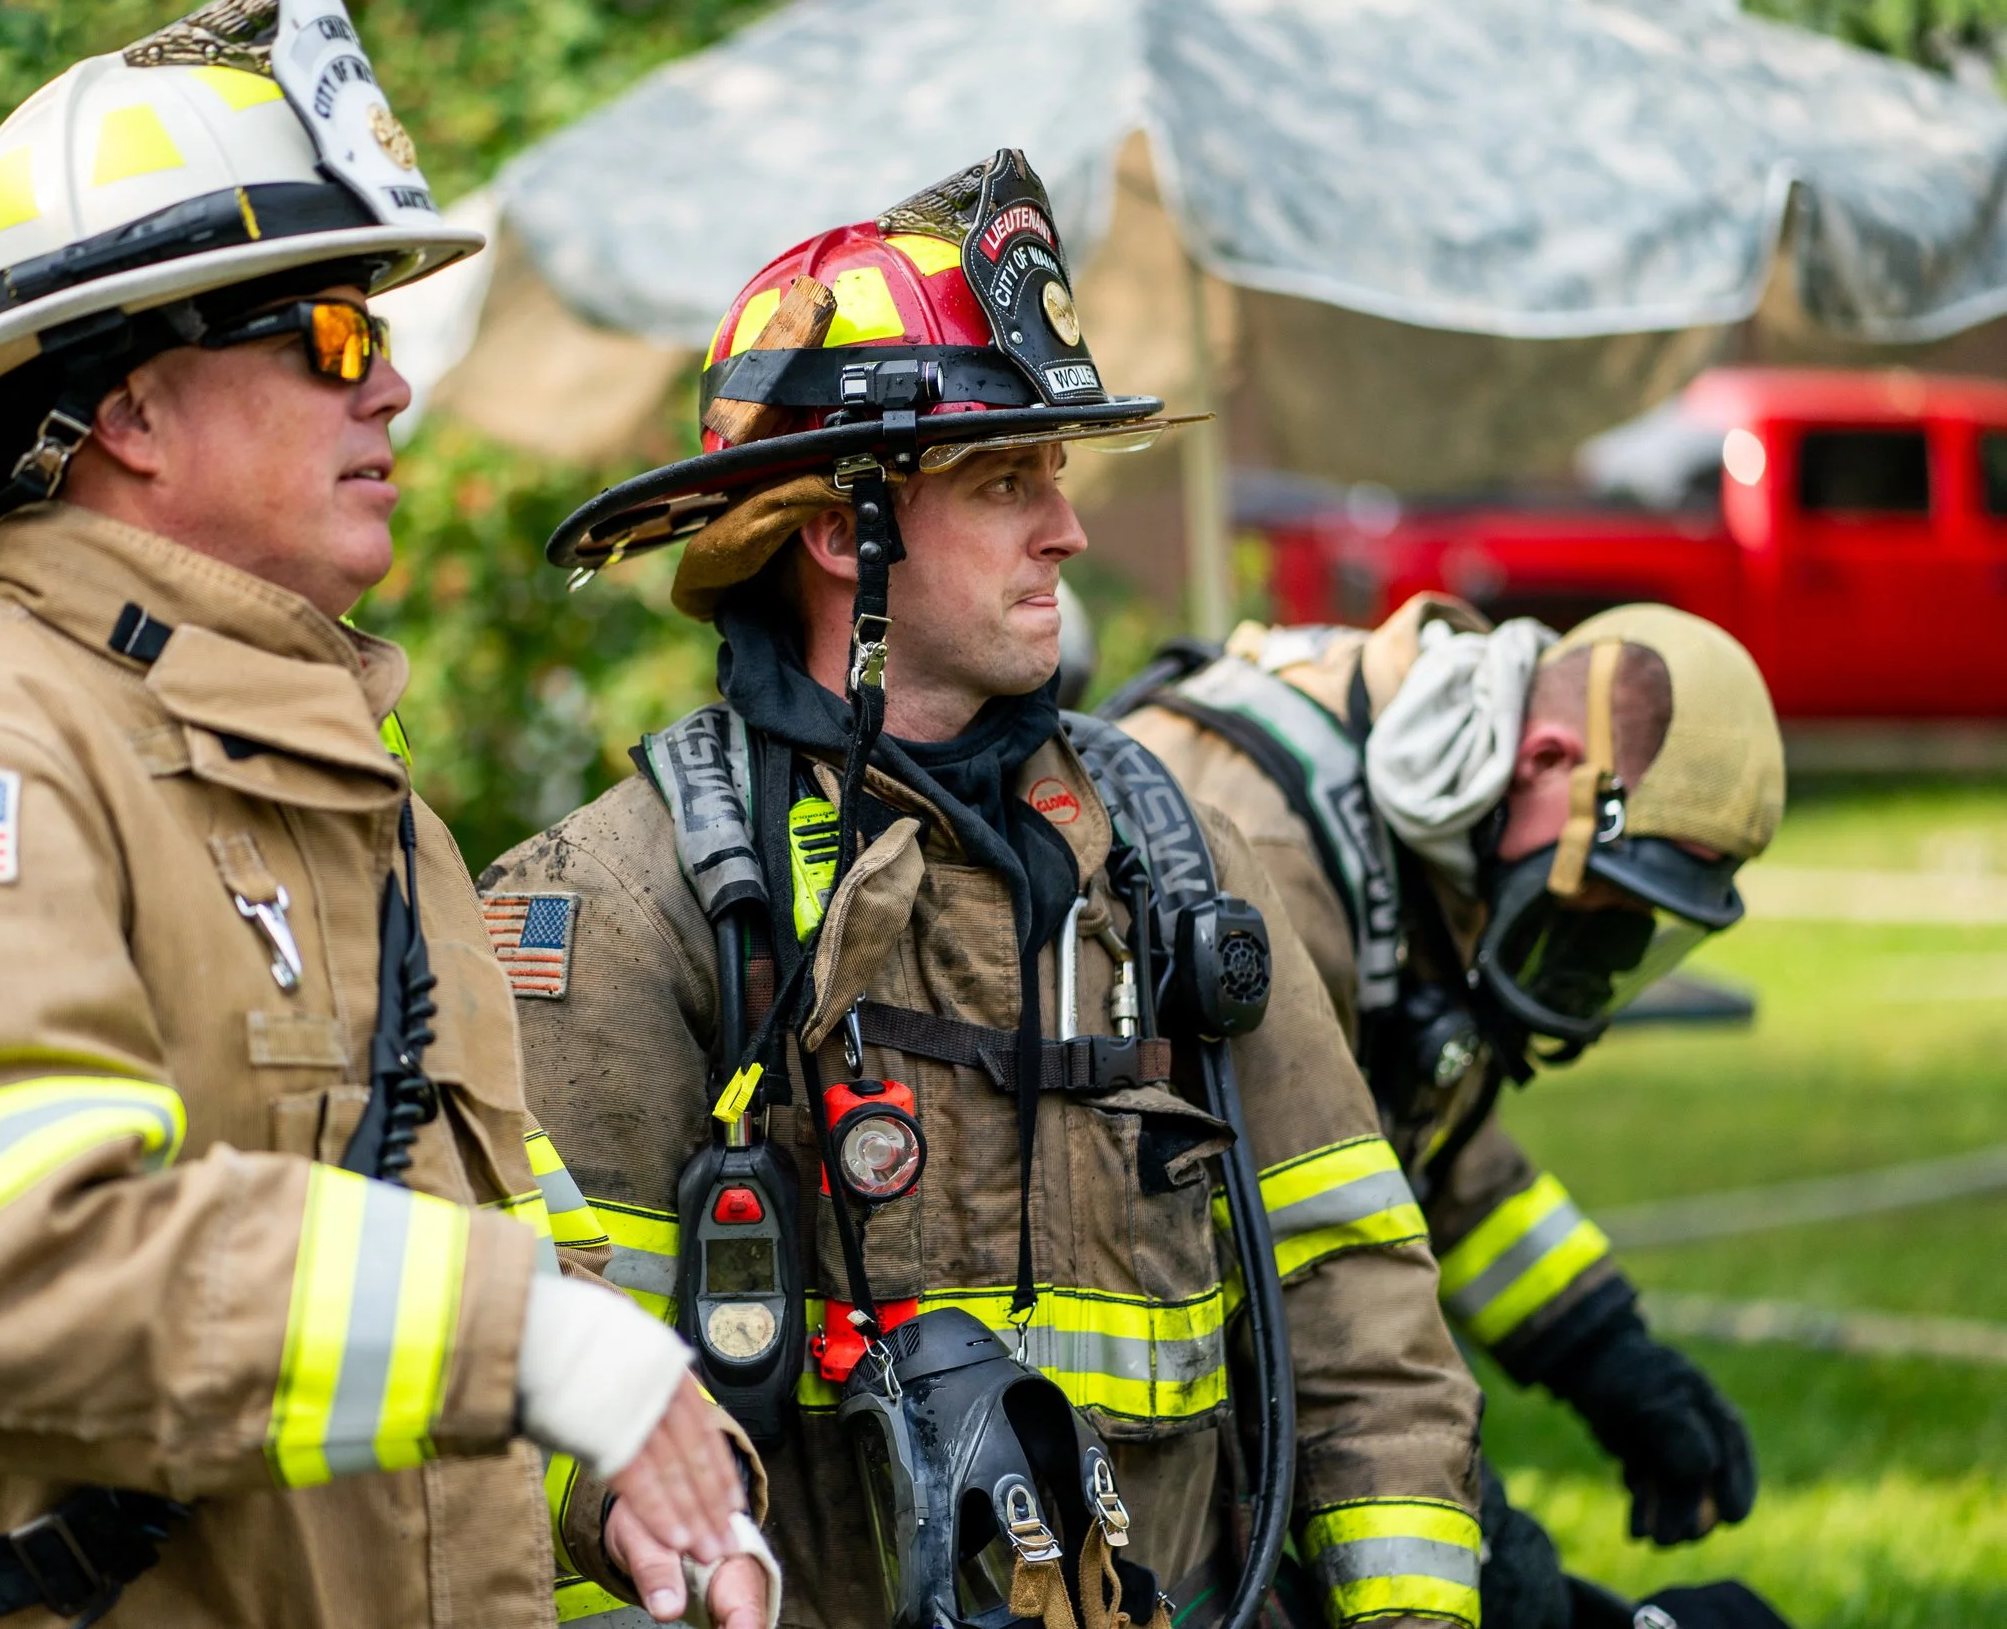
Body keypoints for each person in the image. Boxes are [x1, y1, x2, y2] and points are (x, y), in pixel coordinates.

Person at [0, 0, 772, 1628]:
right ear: (123, 407)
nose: (392, 386)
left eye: (384, 336)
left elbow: (455, 1315)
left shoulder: (365, 808)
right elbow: (6, 1280)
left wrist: (620, 1476)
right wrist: (540, 1346)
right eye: (332, 330)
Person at [479, 152, 1488, 1629]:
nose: (1067, 531)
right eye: (1005, 480)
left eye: (1056, 478)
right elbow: (539, 1389)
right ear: (843, 535)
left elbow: (1355, 1300)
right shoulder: (631, 906)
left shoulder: (1177, 863)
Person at [1102, 593, 1786, 1629]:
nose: (1604, 933)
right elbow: (1287, 1234)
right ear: (1551, 757)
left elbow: (1410, 1142)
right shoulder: (1278, 851)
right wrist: (1466, 1527)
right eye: (1610, 891)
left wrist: (1605, 1350)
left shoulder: (1436, 810)